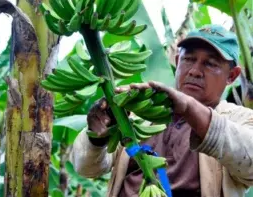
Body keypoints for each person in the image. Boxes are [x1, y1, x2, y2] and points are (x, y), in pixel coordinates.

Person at [70, 24, 253, 197]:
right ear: (177, 61)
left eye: (210, 64)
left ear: (232, 75)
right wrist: (96, 137)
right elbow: (85, 168)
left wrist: (189, 108)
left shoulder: (240, 120)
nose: (195, 71)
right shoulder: (140, 115)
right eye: (189, 59)